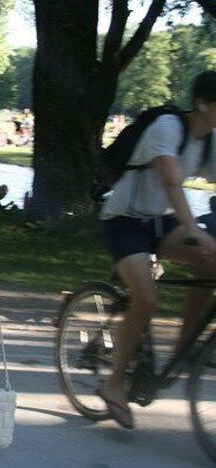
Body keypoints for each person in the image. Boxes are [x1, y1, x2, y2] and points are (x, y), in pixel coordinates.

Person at [97, 70, 216, 430]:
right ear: (203, 104)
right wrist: (197, 230)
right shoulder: (168, 127)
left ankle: (186, 347)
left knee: (212, 262)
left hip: (161, 221)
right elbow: (170, 180)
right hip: (125, 220)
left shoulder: (209, 140)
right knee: (146, 300)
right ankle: (114, 384)